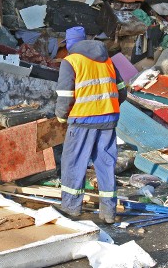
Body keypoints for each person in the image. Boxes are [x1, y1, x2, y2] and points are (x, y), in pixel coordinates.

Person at [55, 26, 127, 224]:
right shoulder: (107, 60)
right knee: (105, 164)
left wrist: (61, 117)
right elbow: (122, 92)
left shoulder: (71, 62)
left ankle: (71, 208)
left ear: (70, 43)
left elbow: (65, 95)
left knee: (74, 163)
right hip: (108, 120)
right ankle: (109, 212)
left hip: (83, 121)